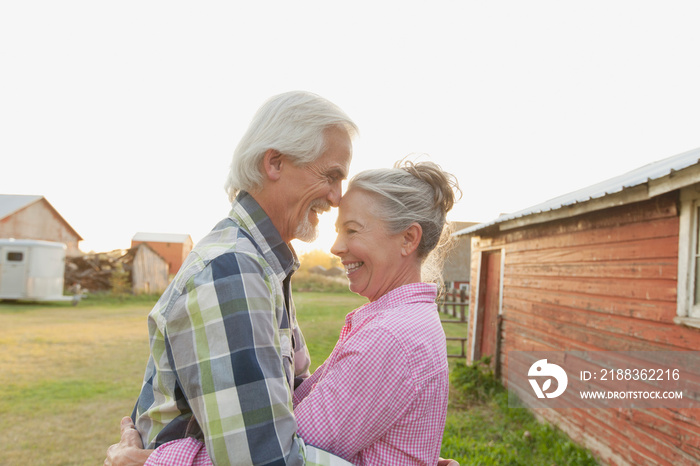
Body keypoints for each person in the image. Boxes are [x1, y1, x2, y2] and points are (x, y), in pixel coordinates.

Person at [106, 160, 461, 465]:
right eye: (338, 230)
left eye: (352, 230)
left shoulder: (391, 337)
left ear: (408, 239)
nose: (336, 247)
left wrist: (154, 458)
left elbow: (276, 455)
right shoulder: (402, 323)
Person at [111, 90, 359, 465]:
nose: (338, 197)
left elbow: (294, 402)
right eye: (331, 176)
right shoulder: (231, 270)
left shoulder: (261, 264)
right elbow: (263, 461)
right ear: (274, 163)